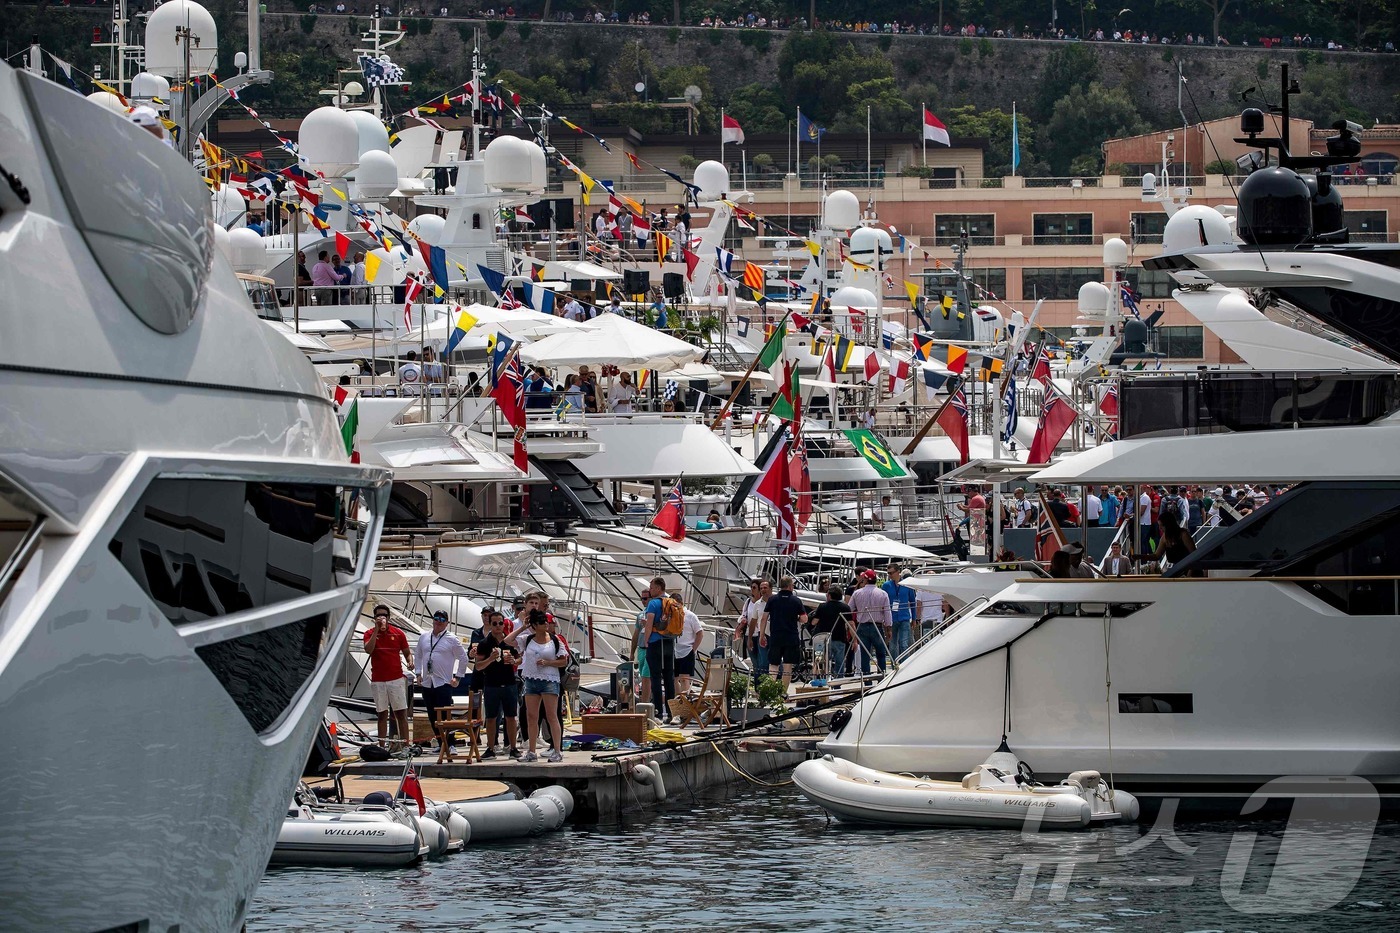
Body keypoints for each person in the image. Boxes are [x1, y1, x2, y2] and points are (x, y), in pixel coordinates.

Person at [415, 609, 471, 752]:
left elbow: (463, 658)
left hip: (443, 682)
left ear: (447, 623)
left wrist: (458, 677)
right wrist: (418, 673)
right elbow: (418, 655)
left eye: (442, 619)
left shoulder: (451, 638)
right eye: (436, 618)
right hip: (428, 681)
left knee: (446, 715)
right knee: (432, 715)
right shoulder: (424, 637)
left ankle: (450, 744)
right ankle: (441, 743)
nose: (438, 621)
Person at [518, 609, 568, 762]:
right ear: (534, 625)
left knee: (551, 716)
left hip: (549, 680)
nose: (545, 624)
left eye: (545, 621)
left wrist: (548, 663)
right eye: (541, 622)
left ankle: (557, 751)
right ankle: (531, 752)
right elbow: (508, 640)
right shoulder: (528, 639)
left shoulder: (554, 640)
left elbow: (563, 661)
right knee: (531, 716)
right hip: (531, 680)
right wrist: (523, 627)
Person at [363, 605, 413, 748]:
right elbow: (368, 650)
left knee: (400, 713)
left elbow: (407, 652)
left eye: (384, 615)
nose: (381, 618)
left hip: (396, 678)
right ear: (374, 618)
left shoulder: (398, 633)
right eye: (378, 616)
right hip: (378, 679)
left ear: (389, 618)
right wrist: (377, 630)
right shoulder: (369, 633)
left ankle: (406, 746)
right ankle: (382, 746)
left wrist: (410, 661)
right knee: (382, 714)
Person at [759, 576, 808, 688]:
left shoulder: (772, 600)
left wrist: (762, 635)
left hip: (776, 636)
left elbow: (764, 618)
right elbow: (804, 619)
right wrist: (797, 618)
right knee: (787, 665)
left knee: (773, 664)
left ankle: (770, 690)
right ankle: (783, 693)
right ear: (790, 586)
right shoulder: (796, 601)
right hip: (791, 637)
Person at [642, 577, 677, 722]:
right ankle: (671, 713)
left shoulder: (654, 603)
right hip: (669, 643)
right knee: (669, 678)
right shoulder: (672, 602)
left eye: (651, 587)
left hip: (656, 643)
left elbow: (649, 623)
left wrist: (646, 640)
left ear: (658, 588)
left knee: (655, 677)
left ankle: (658, 713)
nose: (650, 590)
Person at [848, 569, 892, 675]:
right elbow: (887, 612)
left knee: (865, 654)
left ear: (865, 580)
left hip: (862, 626)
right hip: (877, 626)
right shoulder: (883, 593)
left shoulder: (857, 593)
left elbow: (849, 608)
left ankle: (867, 679)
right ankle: (882, 676)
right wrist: (889, 628)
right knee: (881, 652)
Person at [807, 586, 854, 678]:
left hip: (823, 638)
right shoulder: (845, 607)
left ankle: (822, 679)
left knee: (821, 660)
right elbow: (851, 625)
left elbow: (814, 622)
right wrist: (854, 640)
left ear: (829, 595)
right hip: (839, 637)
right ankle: (838, 683)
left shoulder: (822, 606)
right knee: (839, 662)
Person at [881, 564, 920, 661]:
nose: (889, 575)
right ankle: (895, 664)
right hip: (891, 619)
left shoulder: (907, 585)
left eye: (891, 573)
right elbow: (883, 603)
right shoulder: (886, 586)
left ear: (898, 571)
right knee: (893, 644)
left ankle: (904, 665)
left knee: (904, 644)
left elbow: (912, 602)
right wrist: (884, 619)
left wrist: (914, 618)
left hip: (904, 618)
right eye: (888, 573)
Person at [673, 593, 705, 696]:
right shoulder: (671, 616)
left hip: (687, 649)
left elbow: (700, 633)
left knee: (684, 679)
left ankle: (685, 704)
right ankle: (677, 702)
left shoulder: (690, 616)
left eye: (675, 604)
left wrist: (693, 649)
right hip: (675, 650)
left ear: (681, 603)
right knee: (674, 678)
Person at [735, 579, 765, 663]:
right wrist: (743, 620)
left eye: (754, 587)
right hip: (749, 634)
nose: (752, 589)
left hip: (760, 634)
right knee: (754, 661)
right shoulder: (748, 602)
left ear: (759, 589)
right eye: (751, 587)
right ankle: (756, 676)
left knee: (762, 661)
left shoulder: (763, 603)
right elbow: (743, 615)